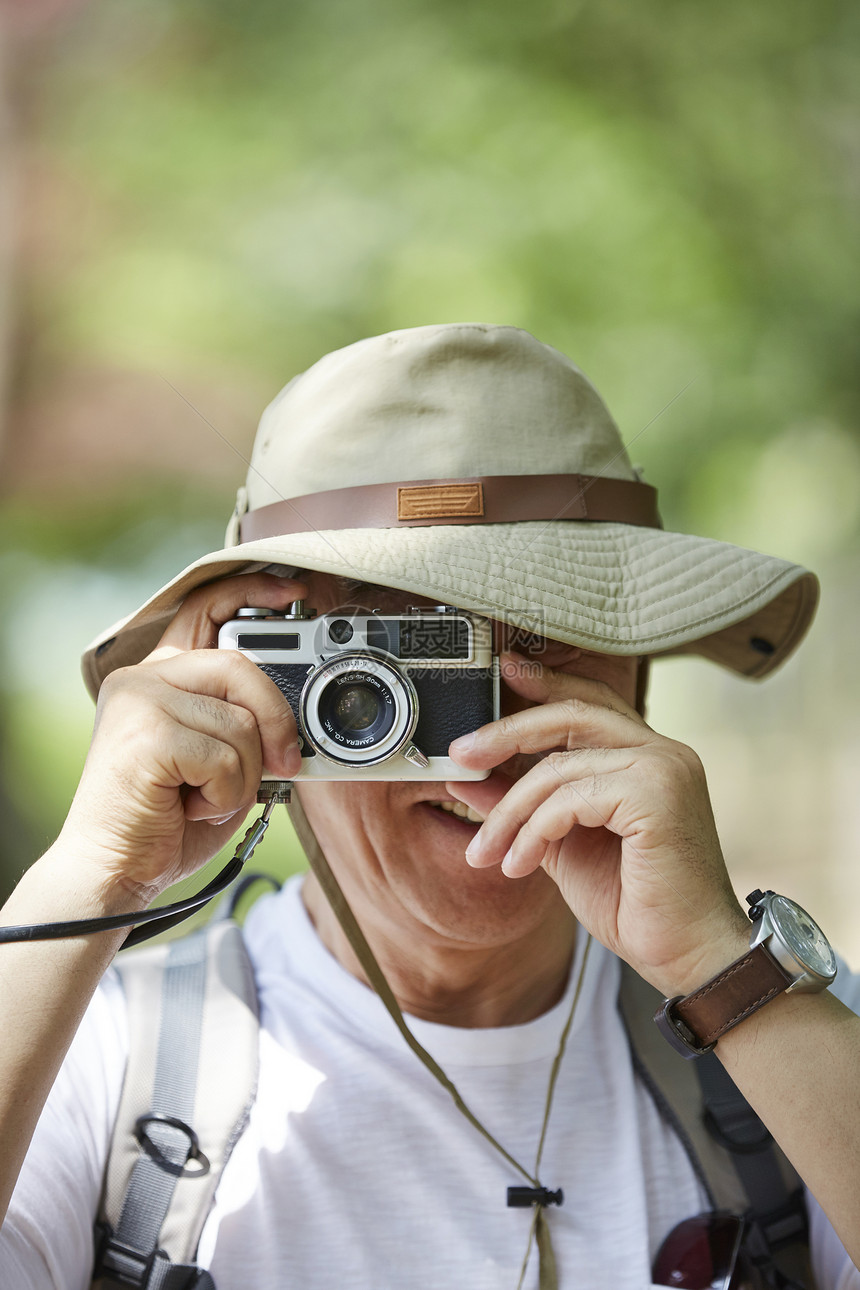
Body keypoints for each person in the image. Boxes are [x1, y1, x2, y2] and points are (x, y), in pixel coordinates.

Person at [0, 322, 858, 1289]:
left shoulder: (802, 1057)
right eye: (389, 664)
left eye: (541, 639)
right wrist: (89, 879)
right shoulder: (95, 1060)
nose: (476, 745)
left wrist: (718, 970)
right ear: (253, 677)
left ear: (641, 674)